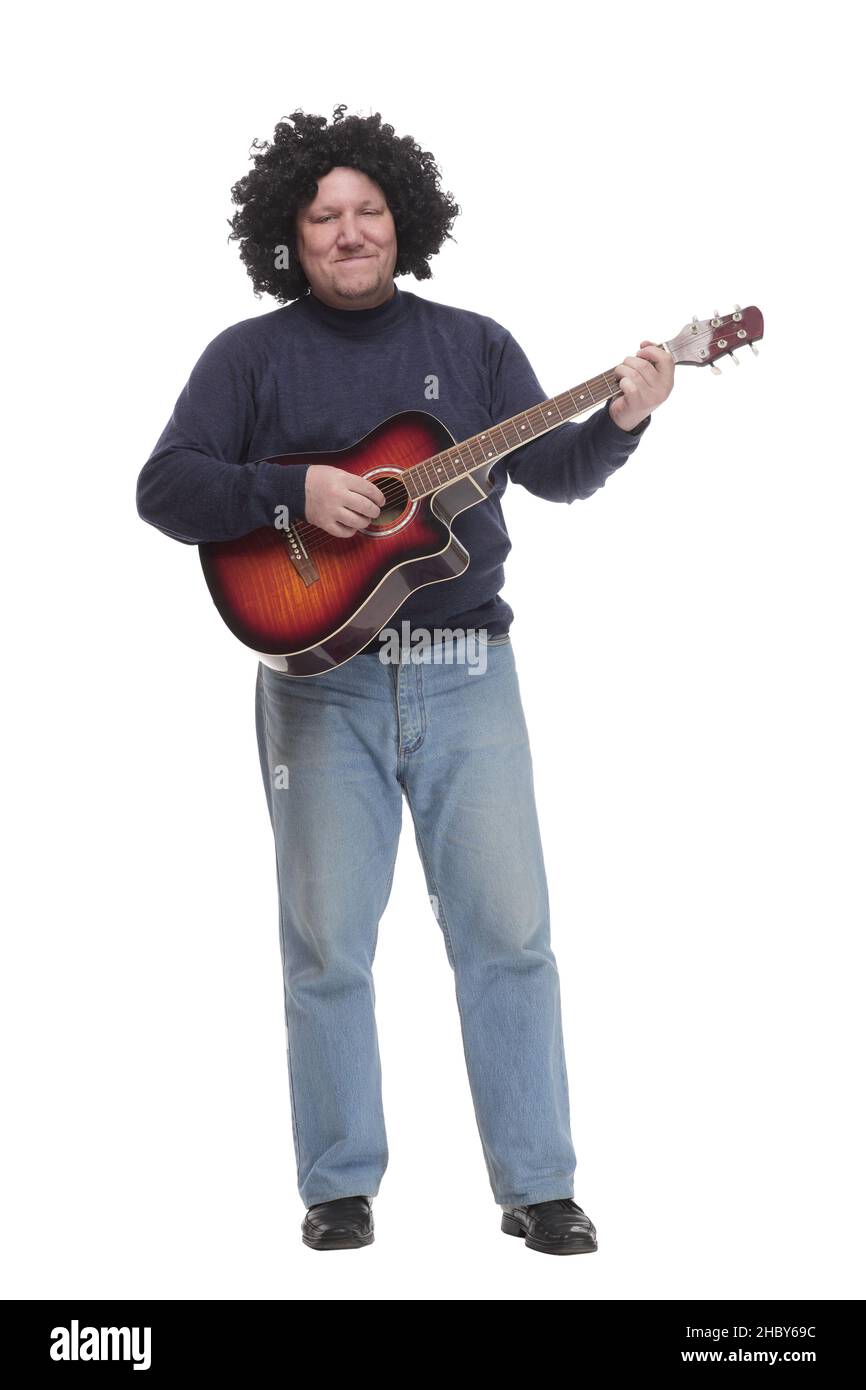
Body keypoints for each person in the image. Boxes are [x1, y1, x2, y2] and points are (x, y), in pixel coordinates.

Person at [136, 104, 674, 1255]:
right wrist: (288, 492)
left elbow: (557, 471)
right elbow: (166, 485)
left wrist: (624, 412)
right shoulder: (248, 358)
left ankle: (537, 1186)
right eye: (323, 216)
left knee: (508, 933)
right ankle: (337, 1188)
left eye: (367, 210)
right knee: (327, 941)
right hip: (315, 687)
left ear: (403, 218)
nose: (347, 231)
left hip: (467, 670)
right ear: (292, 234)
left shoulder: (475, 346)